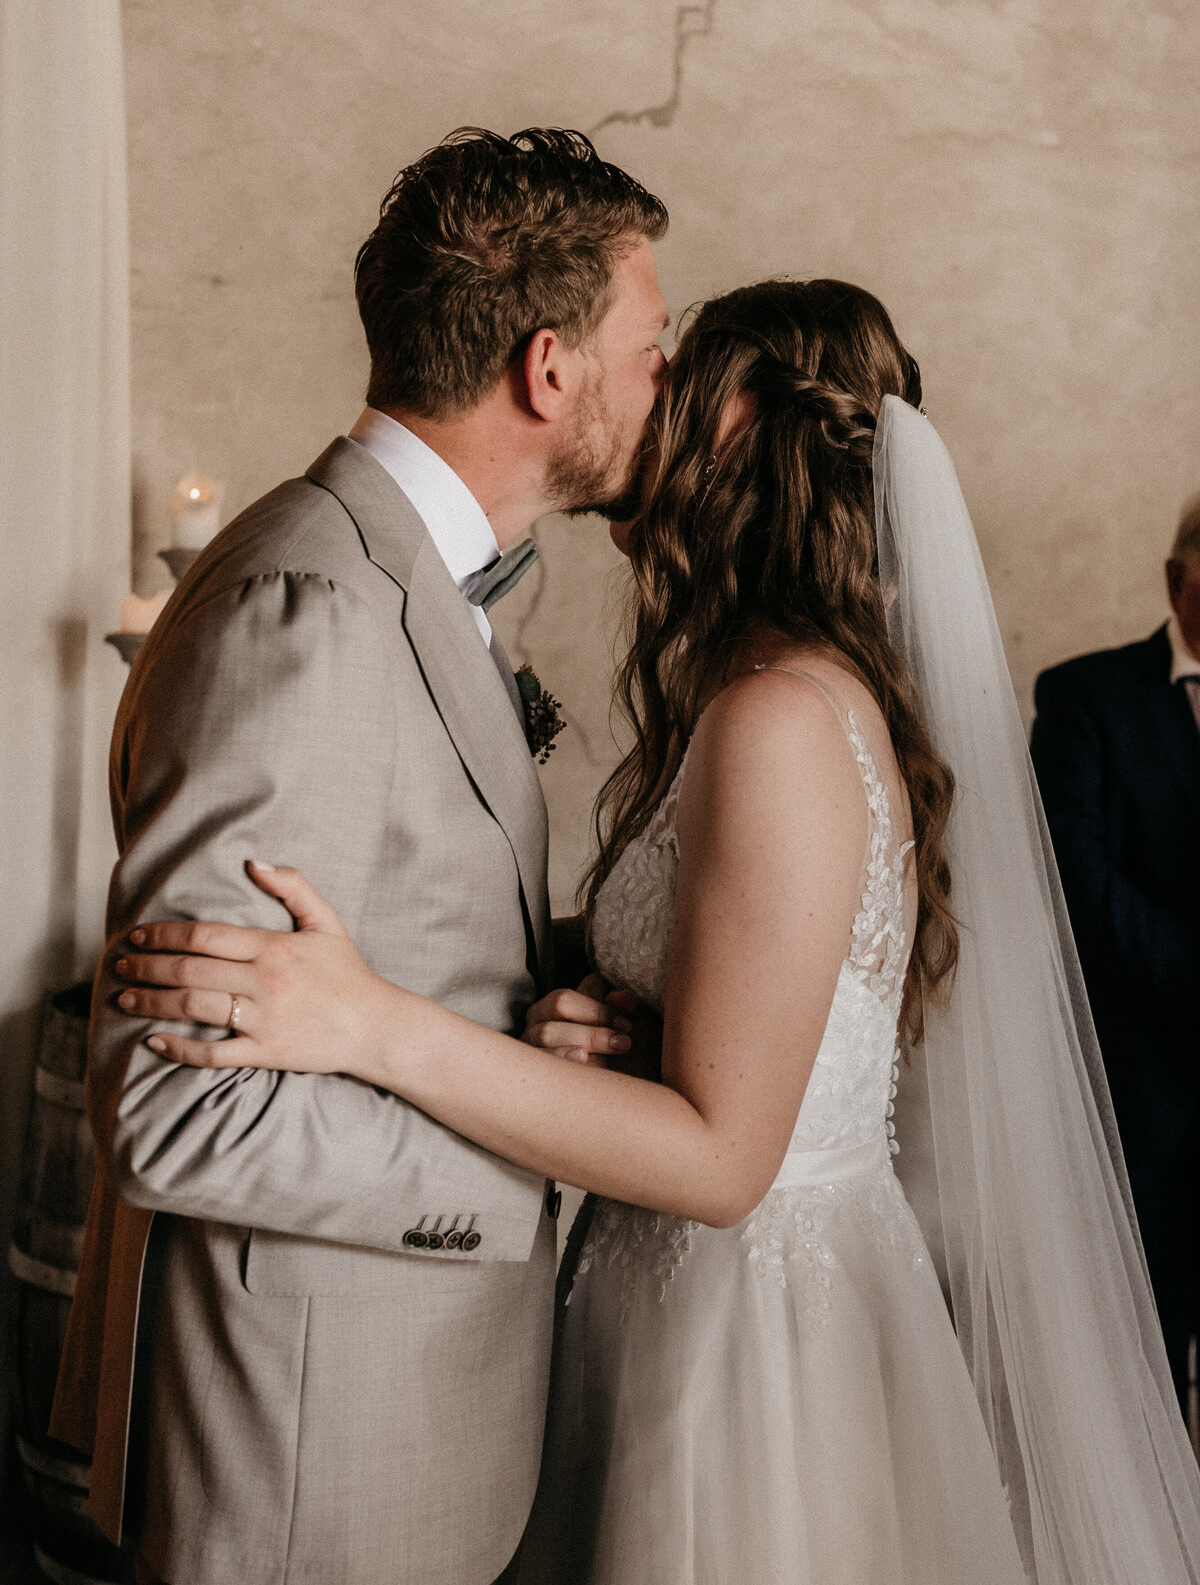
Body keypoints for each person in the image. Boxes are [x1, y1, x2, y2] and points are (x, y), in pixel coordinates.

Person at [114, 281, 1200, 1583]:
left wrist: (369, 1018)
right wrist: (606, 1022)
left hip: (746, 1348)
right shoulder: (758, 688)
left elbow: (724, 1160)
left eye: (681, 386)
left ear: (746, 430)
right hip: (672, 1298)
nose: (652, 417)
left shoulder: (781, 718)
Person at [50, 127, 670, 1585]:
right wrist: (528, 1160)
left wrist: (571, 993)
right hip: (304, 1462)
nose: (666, 381)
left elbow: (412, 938)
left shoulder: (399, 575)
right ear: (549, 367)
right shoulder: (305, 608)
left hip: (393, 1433)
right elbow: (178, 1112)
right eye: (652, 344)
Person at [1030, 489, 1200, 1410]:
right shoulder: (1086, 698)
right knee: (1149, 1366)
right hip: (1148, 1099)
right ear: (1178, 579)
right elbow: (1078, 881)